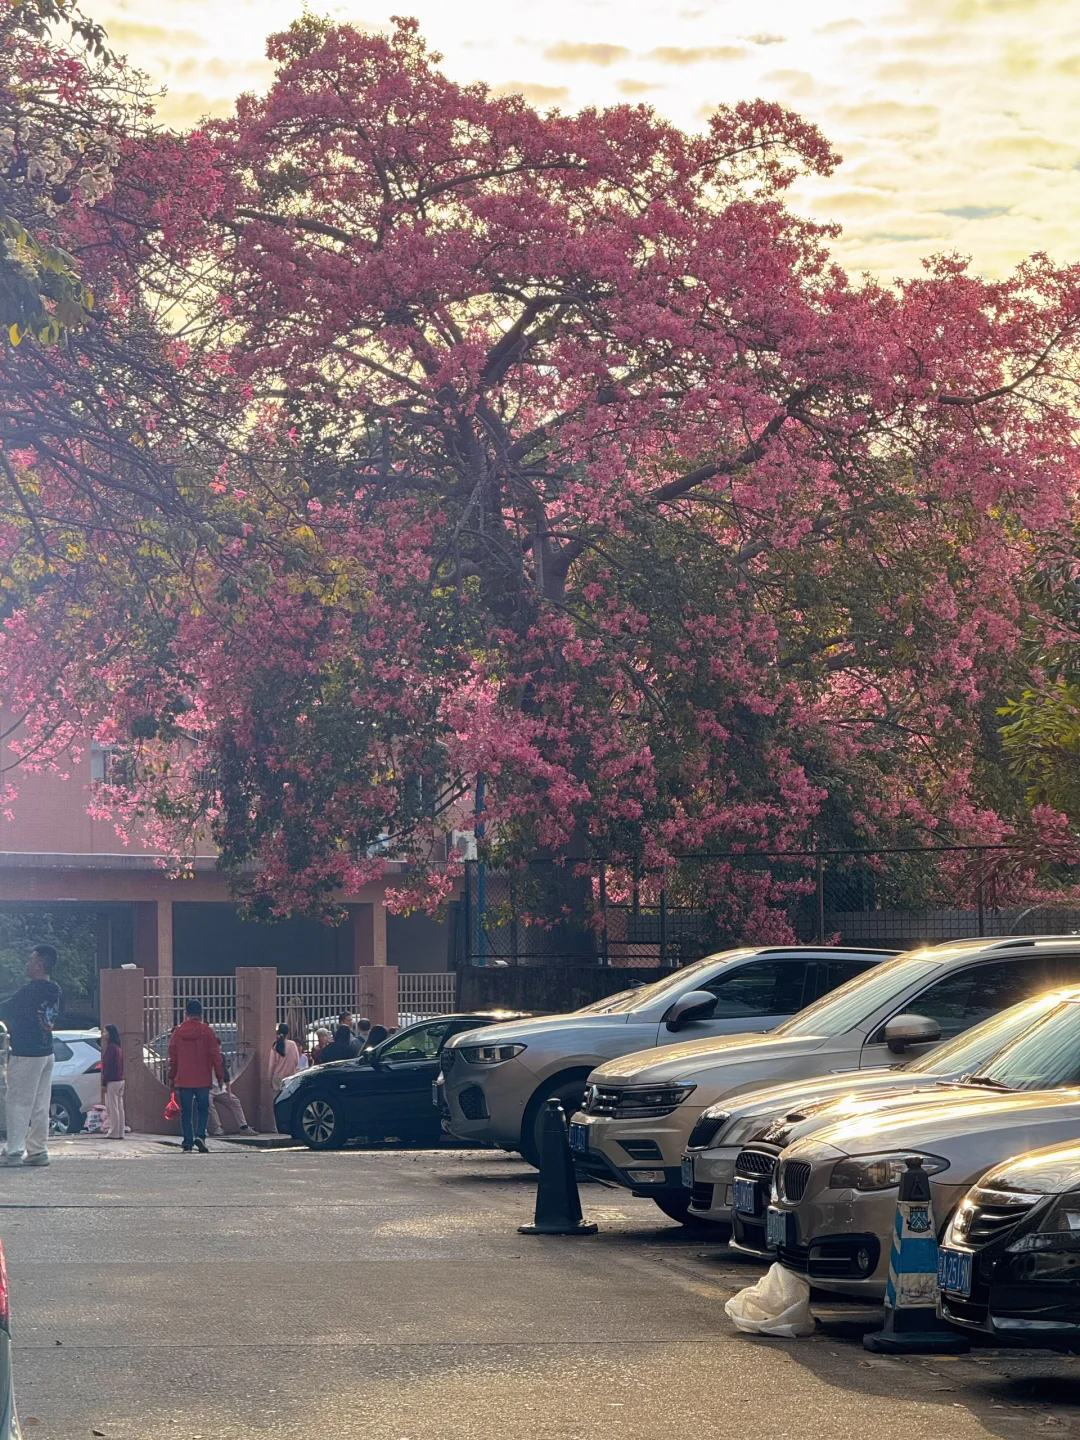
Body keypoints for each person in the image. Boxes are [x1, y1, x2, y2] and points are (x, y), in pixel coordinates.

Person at [0, 944, 63, 1167]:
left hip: (26, 1052)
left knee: (17, 1101)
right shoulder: (54, 990)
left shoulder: (30, 991)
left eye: (30, 960)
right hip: (47, 1052)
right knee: (39, 1104)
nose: (27, 964)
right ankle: (38, 1150)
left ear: (39, 964)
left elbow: (5, 1009)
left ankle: (14, 1151)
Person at [167, 998, 225, 1154]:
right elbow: (215, 1056)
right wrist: (220, 1076)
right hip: (202, 1078)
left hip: (184, 1078)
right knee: (203, 1108)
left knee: (186, 1111)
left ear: (186, 1013)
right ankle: (200, 1135)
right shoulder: (207, 1031)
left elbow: (173, 1057)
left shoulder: (177, 1032)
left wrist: (172, 1076)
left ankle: (187, 1141)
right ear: (201, 1014)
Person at [100, 1023, 126, 1140]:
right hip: (120, 1080)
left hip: (113, 1080)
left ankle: (114, 1132)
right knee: (119, 1107)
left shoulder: (111, 1048)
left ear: (110, 1034)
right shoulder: (117, 1047)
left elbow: (108, 1067)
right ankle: (120, 1132)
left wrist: (104, 1082)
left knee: (113, 1107)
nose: (103, 1034)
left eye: (105, 1032)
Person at [268, 1022, 300, 1093]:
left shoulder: (275, 1046)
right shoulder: (293, 1044)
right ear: (288, 1032)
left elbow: (271, 1065)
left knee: (277, 1099)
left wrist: (269, 1079)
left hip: (277, 1077)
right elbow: (297, 1061)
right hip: (291, 1076)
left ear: (278, 1032)